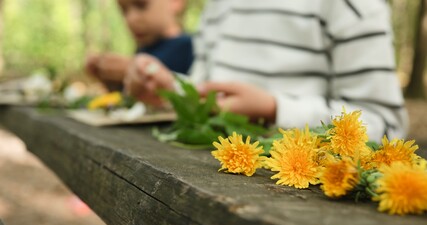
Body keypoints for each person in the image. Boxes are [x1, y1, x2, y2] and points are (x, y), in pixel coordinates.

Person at [124, 0, 408, 142]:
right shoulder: (218, 6)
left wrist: (274, 110)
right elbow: (205, 90)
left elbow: (386, 124)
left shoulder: (352, 6)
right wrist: (168, 87)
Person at [85, 0, 193, 90]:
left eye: (141, 5)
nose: (131, 19)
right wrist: (109, 79)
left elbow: (195, 93)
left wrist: (138, 72)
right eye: (124, 11)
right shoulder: (142, 50)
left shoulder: (192, 47)